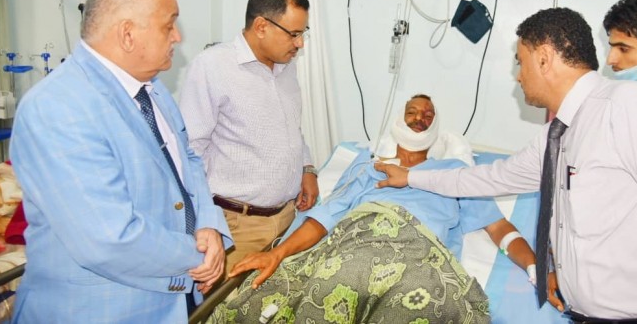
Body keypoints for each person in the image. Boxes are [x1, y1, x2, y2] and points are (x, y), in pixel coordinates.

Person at [376, 7, 637, 322]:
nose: (518, 75)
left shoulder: (631, 107)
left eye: (520, 62)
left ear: (544, 58)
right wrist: (411, 177)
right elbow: (488, 178)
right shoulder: (556, 135)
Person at [9, 0, 232, 323]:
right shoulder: (58, 107)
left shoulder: (152, 89)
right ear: (128, 34)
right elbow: (108, 238)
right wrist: (198, 253)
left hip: (170, 301)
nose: (177, 37)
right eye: (169, 25)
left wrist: (208, 224)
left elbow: (188, 159)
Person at [207, 95, 536, 323]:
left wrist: (535, 266)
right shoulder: (368, 168)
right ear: (399, 120)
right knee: (314, 289)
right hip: (358, 240)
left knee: (417, 303)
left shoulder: (453, 172)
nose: (420, 119)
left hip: (417, 248)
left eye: (428, 115)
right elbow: (326, 217)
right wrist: (278, 254)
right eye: (412, 112)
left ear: (435, 128)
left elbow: (500, 229)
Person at [179, 0, 319, 277]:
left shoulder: (286, 66)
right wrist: (206, 222)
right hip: (237, 227)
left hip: (287, 218)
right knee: (229, 302)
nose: (300, 44)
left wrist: (307, 168)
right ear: (261, 26)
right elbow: (190, 152)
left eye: (303, 33)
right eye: (294, 34)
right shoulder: (212, 67)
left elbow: (290, 128)